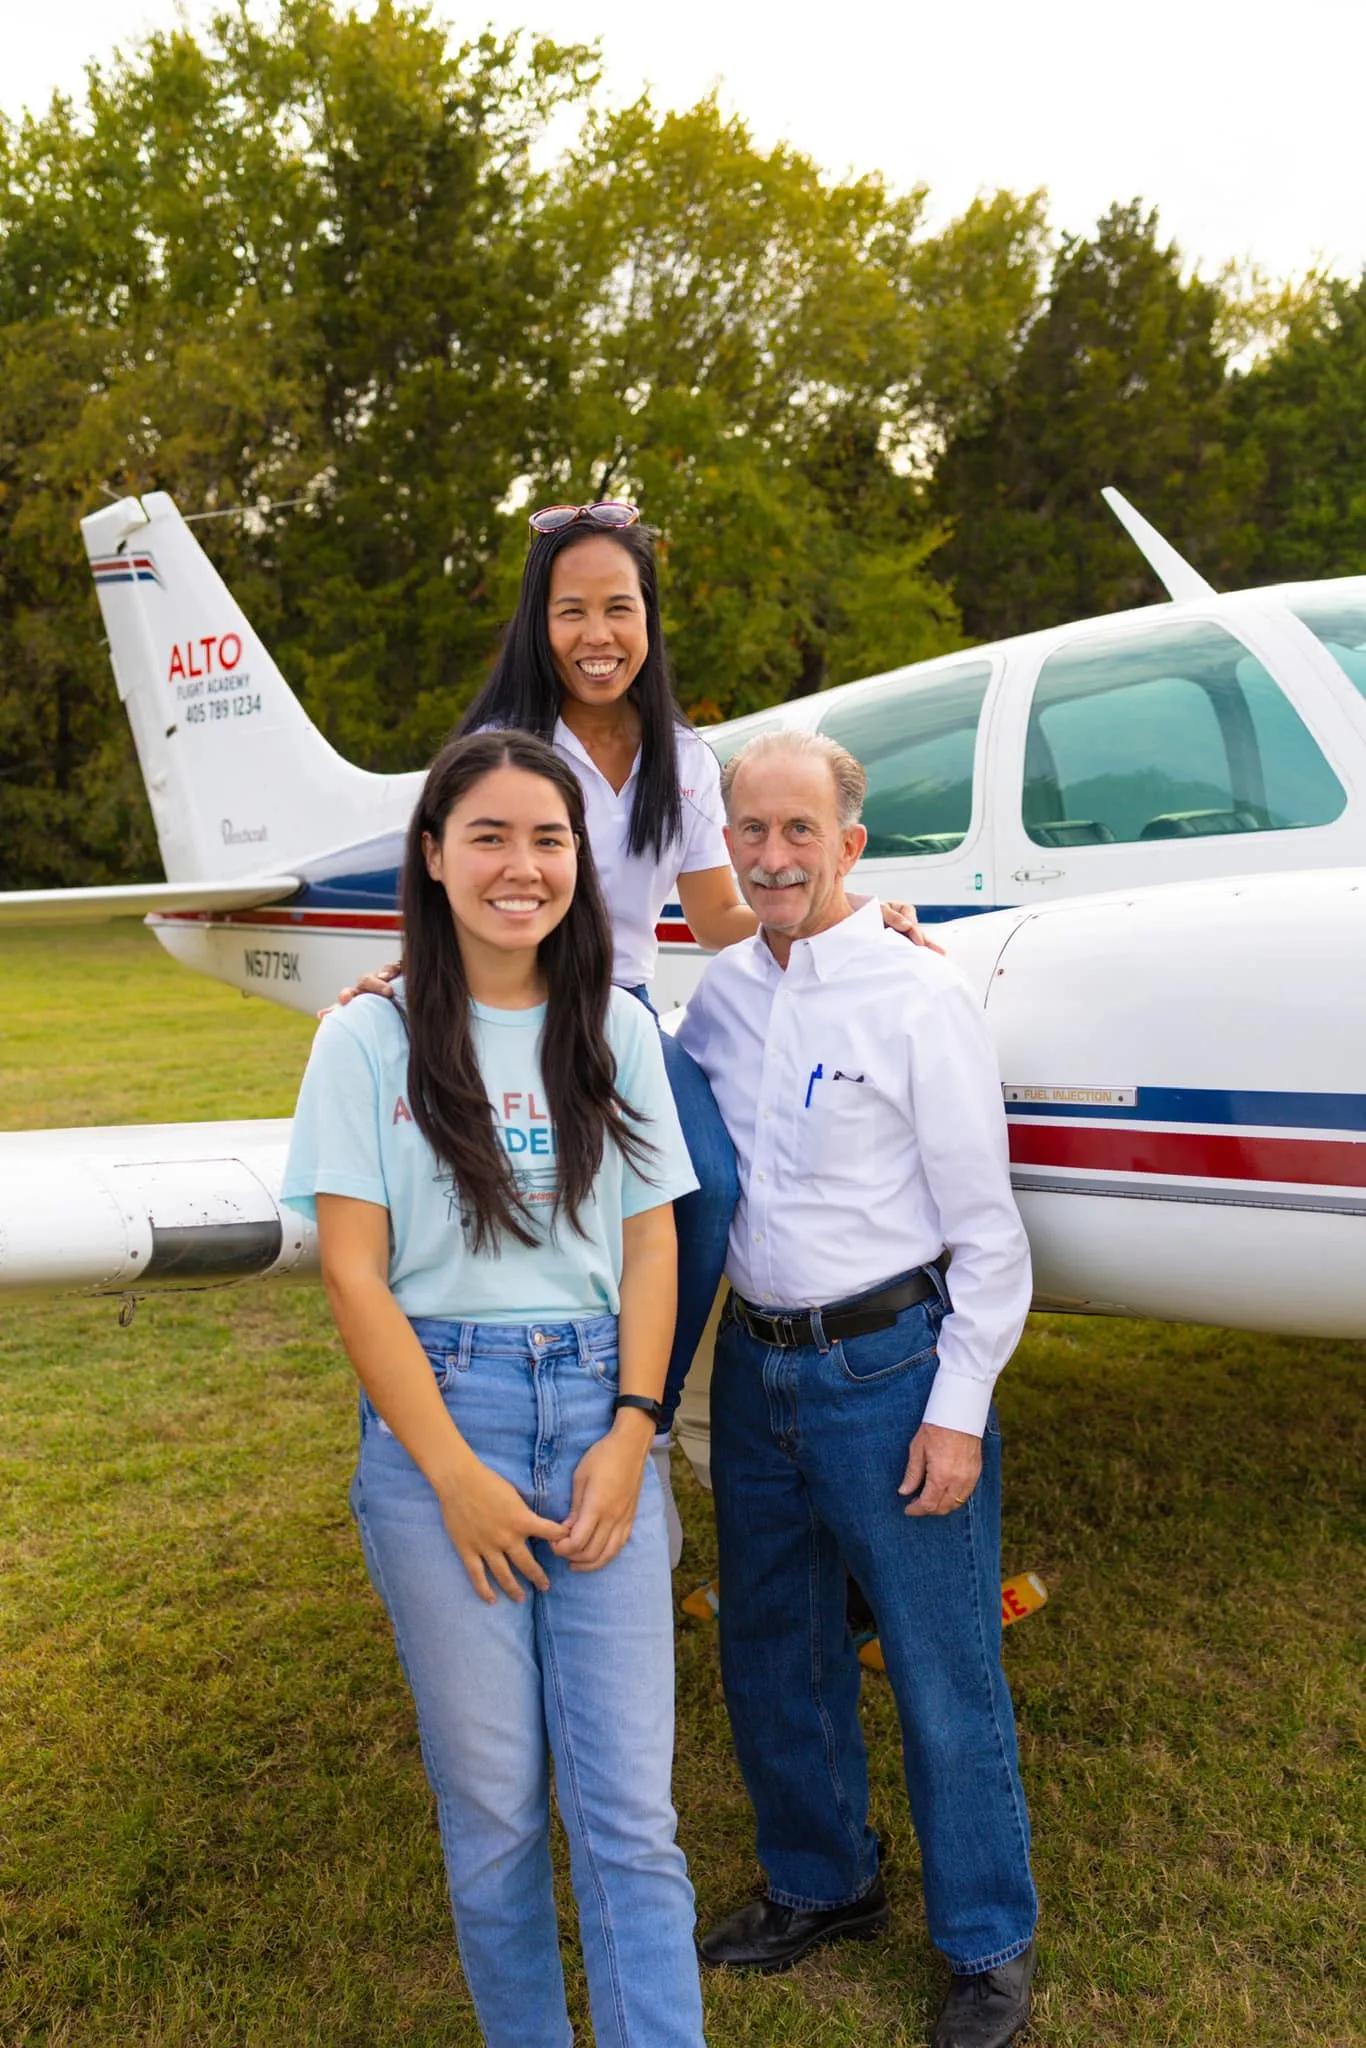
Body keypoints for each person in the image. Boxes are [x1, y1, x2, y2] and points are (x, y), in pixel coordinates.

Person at [344, 499, 926, 1561]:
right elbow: (461, 892)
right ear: (539, 622)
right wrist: (402, 977)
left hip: (624, 1023)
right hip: (517, 1011)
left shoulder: (686, 758)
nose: (596, 633)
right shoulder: (500, 747)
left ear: (647, 620)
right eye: (571, 611)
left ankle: (639, 1424)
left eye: (618, 607)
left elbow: (718, 916)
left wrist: (844, 911)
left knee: (701, 1183)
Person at [282, 730, 707, 2048]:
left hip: (597, 1411)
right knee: (498, 1810)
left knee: (630, 1814)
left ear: (580, 861)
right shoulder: (367, 1038)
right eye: (489, 837)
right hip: (440, 1423)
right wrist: (453, 1481)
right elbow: (354, 1279)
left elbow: (652, 1242)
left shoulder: (616, 1027)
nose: (521, 867)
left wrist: (635, 1432)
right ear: (432, 856)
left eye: (549, 838)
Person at [676, 729, 1038, 2048]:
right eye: (749, 834)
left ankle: (986, 1943)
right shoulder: (716, 999)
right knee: (773, 1647)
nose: (772, 857)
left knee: (943, 1670)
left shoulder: (913, 996)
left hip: (886, 1372)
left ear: (849, 844)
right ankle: (821, 1885)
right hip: (758, 1365)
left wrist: (954, 1411)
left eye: (798, 832)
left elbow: (988, 1239)